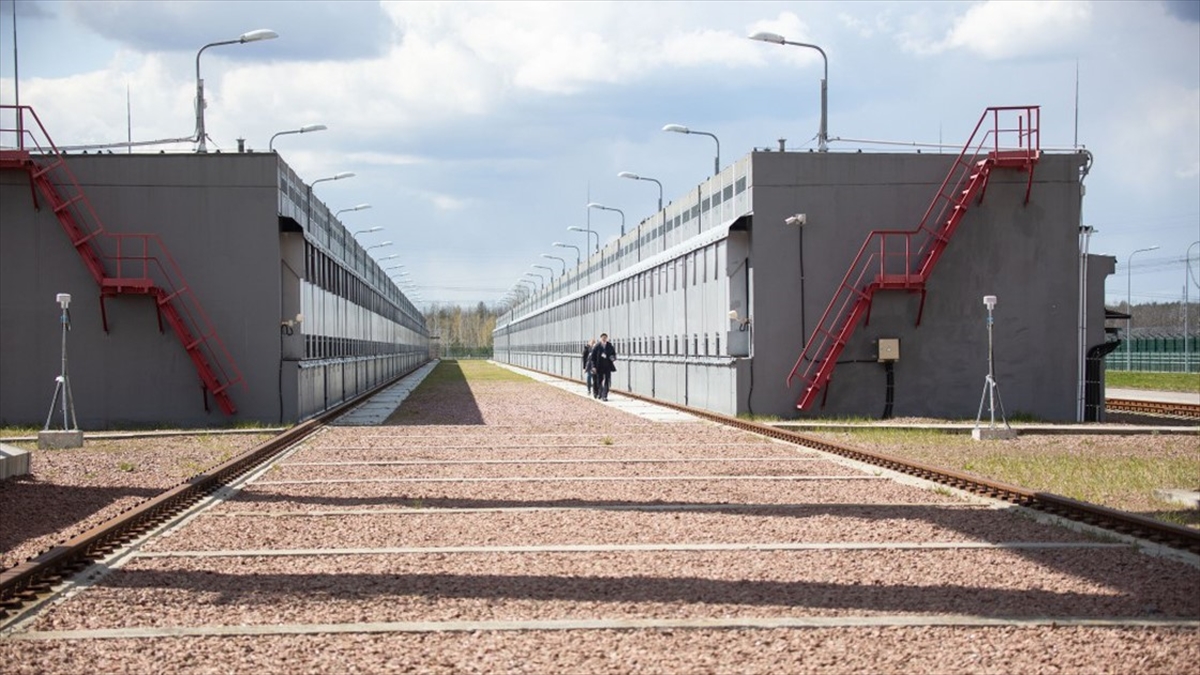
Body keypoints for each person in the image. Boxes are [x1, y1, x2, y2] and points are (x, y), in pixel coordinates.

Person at [589, 333, 617, 401]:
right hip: (599, 367)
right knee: (599, 381)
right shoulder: (597, 346)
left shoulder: (609, 346)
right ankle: (600, 393)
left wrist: (613, 357)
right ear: (600, 338)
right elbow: (592, 358)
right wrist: (593, 367)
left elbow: (614, 354)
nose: (604, 339)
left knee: (607, 381)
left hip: (607, 366)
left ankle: (605, 395)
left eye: (605, 338)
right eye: (603, 338)